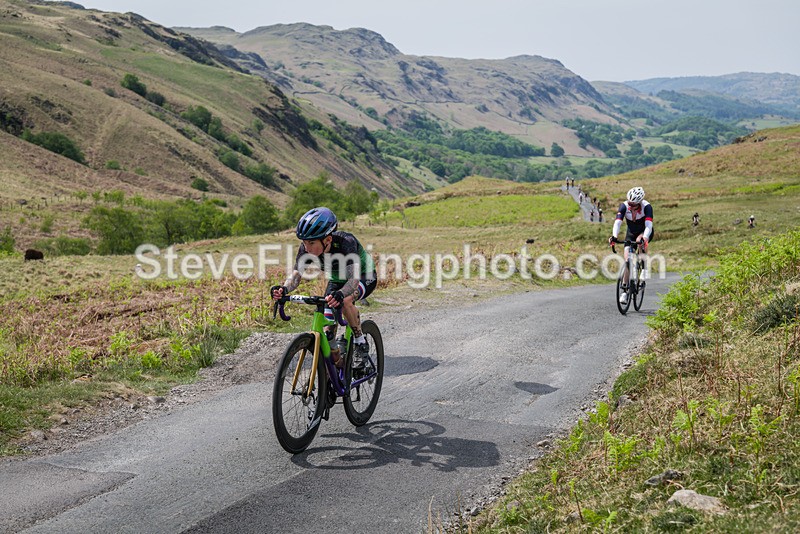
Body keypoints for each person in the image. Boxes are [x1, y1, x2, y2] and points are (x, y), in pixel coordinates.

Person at [272, 207, 377, 368]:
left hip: (364, 276)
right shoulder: (305, 249)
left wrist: (341, 294)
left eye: (311, 243)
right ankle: (337, 364)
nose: (307, 247)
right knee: (328, 331)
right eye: (304, 242)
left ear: (327, 240)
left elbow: (353, 281)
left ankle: (360, 342)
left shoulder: (346, 243)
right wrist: (284, 289)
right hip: (336, 281)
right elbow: (296, 277)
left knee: (346, 300)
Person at [608, 187, 653, 305]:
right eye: (630, 203)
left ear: (639, 203)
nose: (631, 206)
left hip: (644, 231)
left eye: (634, 205)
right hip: (631, 233)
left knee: (639, 241)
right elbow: (618, 222)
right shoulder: (624, 206)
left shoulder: (647, 207)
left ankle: (644, 269)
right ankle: (624, 290)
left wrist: (645, 237)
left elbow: (649, 225)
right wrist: (614, 236)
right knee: (627, 260)